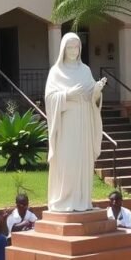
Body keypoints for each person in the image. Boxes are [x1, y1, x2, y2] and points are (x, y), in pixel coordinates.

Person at [44, 32, 106, 212]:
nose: (73, 51)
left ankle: (82, 200)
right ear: (63, 49)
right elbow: (49, 99)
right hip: (66, 124)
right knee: (67, 161)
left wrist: (96, 91)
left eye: (76, 47)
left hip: (84, 122)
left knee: (82, 161)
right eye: (69, 47)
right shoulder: (56, 72)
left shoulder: (85, 70)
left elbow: (92, 98)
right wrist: (66, 95)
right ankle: (64, 199)